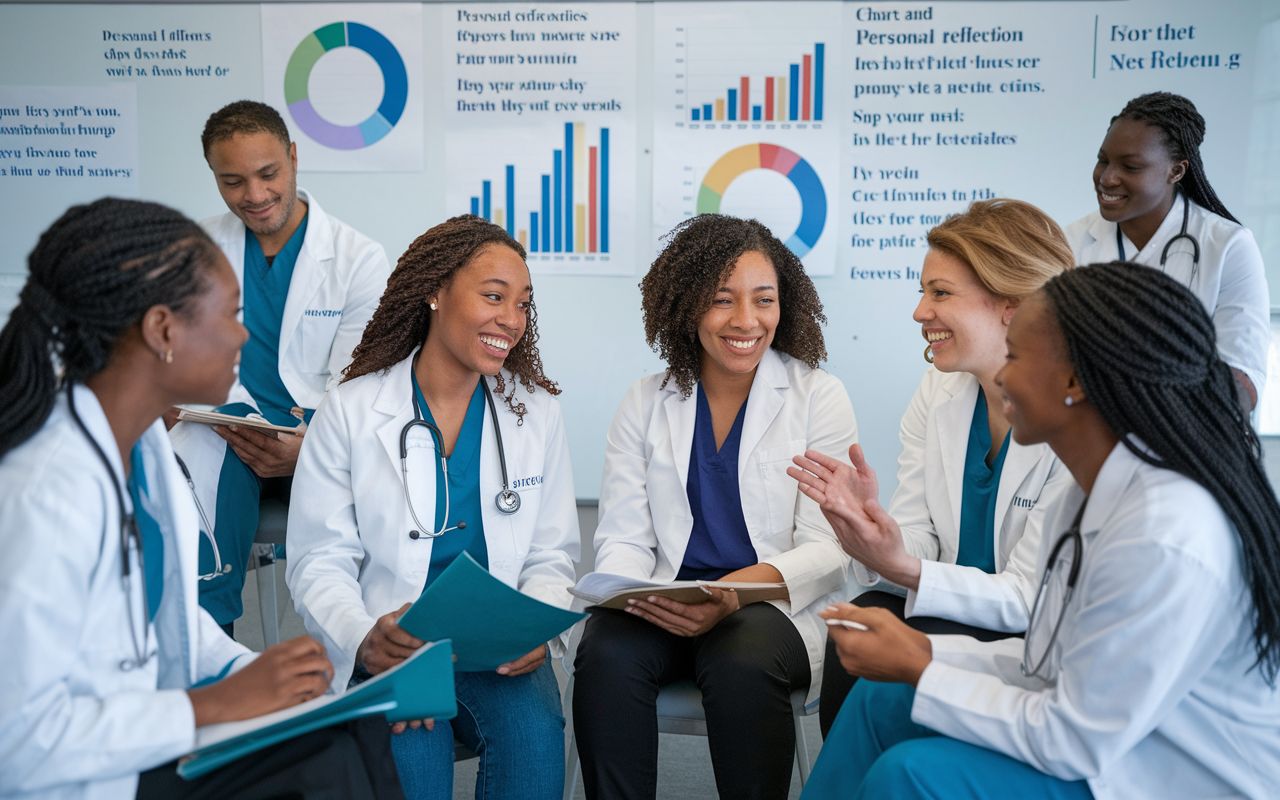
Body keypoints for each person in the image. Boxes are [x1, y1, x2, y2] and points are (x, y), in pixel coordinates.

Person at [799, 262, 1280, 800]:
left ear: (1074, 381)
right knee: (880, 698)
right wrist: (924, 653)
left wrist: (922, 663)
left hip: (1163, 774)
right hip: (1102, 736)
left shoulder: (1166, 535)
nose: (1002, 377)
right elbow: (1046, 662)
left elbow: (1073, 737)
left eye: (1017, 358)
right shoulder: (1090, 487)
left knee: (911, 773)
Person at [0, 198, 403, 800]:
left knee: (351, 722)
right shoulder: (46, 491)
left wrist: (257, 674)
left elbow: (164, 614)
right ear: (163, 329)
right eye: (233, 314)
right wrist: (213, 705)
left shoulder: (144, 449)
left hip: (138, 732)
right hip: (80, 774)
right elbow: (18, 743)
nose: (245, 334)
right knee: (322, 762)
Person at [286, 215, 578, 800]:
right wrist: (364, 635)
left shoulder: (533, 412)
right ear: (436, 292)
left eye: (522, 304)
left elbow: (552, 553)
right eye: (493, 297)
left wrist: (537, 629)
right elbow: (319, 559)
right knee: (411, 757)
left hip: (494, 649)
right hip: (395, 645)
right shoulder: (349, 410)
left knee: (535, 737)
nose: (512, 321)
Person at [573, 215, 857, 800]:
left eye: (764, 300)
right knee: (604, 651)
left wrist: (731, 594)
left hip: (770, 607)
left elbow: (828, 548)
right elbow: (624, 536)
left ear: (786, 306)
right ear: (687, 305)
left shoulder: (816, 397)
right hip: (667, 601)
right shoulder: (647, 400)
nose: (745, 321)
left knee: (741, 657)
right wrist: (638, 593)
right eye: (722, 300)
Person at [790, 199, 1078, 737]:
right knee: (860, 619)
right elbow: (916, 541)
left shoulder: (1081, 416)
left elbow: (1025, 597)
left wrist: (901, 565)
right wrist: (873, 533)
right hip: (944, 603)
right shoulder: (940, 389)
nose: (920, 312)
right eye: (923, 292)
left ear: (1012, 304)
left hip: (1032, 632)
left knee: (900, 651)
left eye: (940, 293)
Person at [168, 100, 392, 633]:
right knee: (190, 449)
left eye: (268, 173)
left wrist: (309, 448)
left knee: (350, 561)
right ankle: (203, 635)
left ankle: (359, 658)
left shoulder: (358, 258)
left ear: (293, 157)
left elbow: (358, 385)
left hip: (316, 440)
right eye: (233, 181)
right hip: (227, 437)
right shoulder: (196, 249)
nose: (255, 195)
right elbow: (175, 360)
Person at [1065, 91, 1268, 411]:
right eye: (1103, 160)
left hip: (1188, 444)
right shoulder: (1069, 243)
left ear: (1176, 171)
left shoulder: (1228, 246)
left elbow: (1243, 380)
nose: (1107, 178)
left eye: (1130, 167)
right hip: (1089, 438)